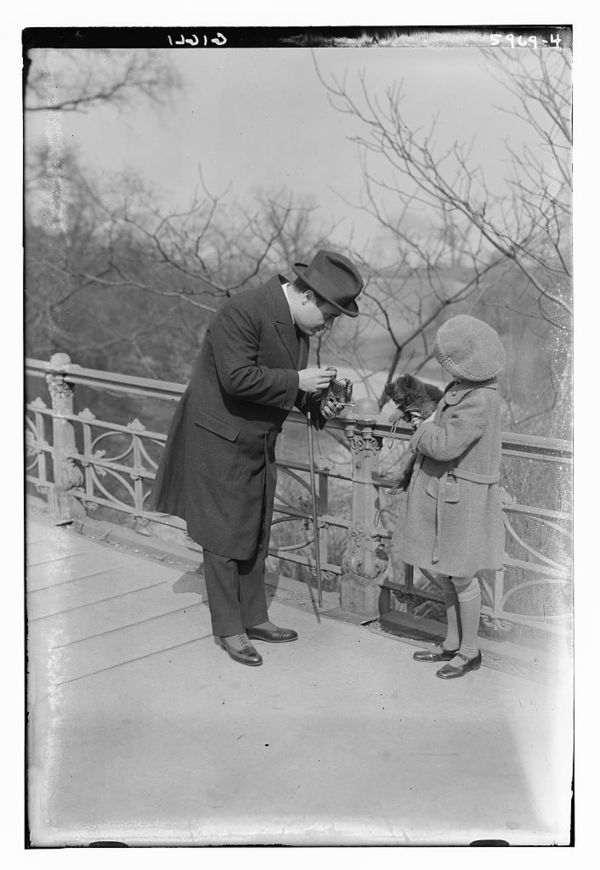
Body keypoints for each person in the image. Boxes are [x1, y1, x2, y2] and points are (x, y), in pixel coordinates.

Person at [151, 250, 364, 667]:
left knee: (256, 529)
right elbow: (237, 378)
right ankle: (229, 628)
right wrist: (298, 379)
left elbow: (288, 390)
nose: (329, 325)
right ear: (307, 296)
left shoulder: (297, 327)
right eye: (329, 316)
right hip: (217, 438)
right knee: (223, 536)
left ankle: (254, 617)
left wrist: (321, 403)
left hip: (256, 442)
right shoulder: (243, 310)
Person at [394, 315, 506, 679]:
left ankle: (470, 651)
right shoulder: (467, 388)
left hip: (464, 497)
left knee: (461, 575)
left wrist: (421, 430)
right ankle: (452, 642)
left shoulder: (481, 399)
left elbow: (445, 445)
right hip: (450, 493)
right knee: (449, 573)